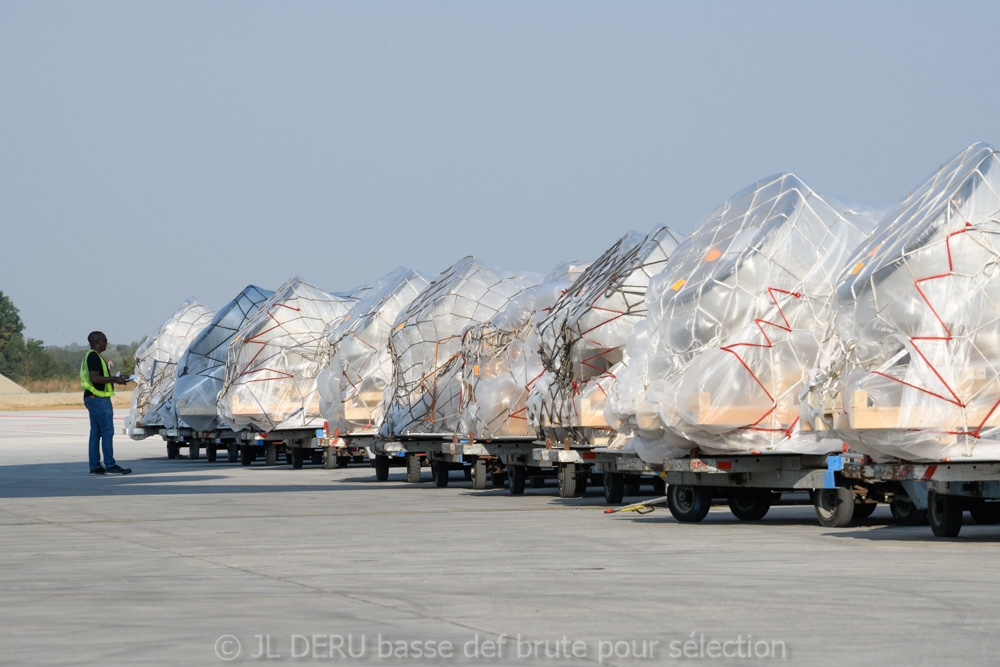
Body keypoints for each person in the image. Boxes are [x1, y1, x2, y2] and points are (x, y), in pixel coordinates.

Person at [81, 331, 131, 475]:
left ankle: (95, 467)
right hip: (98, 399)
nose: (106, 343)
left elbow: (100, 377)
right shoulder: (94, 357)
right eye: (104, 340)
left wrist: (118, 378)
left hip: (93, 398)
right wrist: (115, 380)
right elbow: (95, 378)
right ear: (97, 342)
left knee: (96, 433)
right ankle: (110, 464)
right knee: (107, 431)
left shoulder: (91, 356)